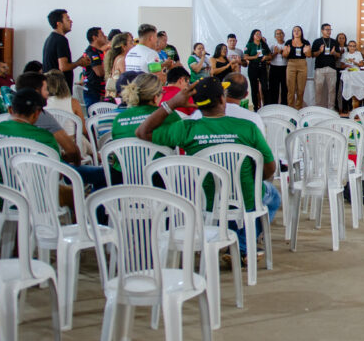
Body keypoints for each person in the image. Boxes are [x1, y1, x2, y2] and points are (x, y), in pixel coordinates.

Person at [136, 76, 280, 259]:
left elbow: (142, 132)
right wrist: (254, 179)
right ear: (222, 99)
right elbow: (270, 168)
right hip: (246, 199)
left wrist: (171, 103)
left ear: (195, 104)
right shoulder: (248, 127)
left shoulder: (186, 128)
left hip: (205, 200)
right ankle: (242, 245)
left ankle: (231, 240)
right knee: (272, 195)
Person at [0, 88, 63, 183]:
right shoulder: (46, 138)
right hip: (33, 196)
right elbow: (58, 175)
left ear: (10, 109)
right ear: (36, 113)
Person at [106, 72, 180, 184]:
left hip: (123, 181)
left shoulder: (119, 119)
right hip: (159, 181)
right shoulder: (168, 115)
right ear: (156, 97)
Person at [42, 9, 88, 89]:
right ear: (59, 24)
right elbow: (63, 67)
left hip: (52, 87)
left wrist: (79, 61)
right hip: (60, 89)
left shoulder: (50, 38)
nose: (71, 21)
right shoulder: (61, 40)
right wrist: (79, 63)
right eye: (67, 19)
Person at [311, 23, 340, 110]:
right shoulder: (317, 41)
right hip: (320, 68)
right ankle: (318, 108)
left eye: (330, 29)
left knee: (332, 89)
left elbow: (338, 55)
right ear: (322, 30)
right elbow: (312, 55)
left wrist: (334, 53)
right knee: (318, 89)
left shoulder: (334, 41)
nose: (329, 31)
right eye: (327, 29)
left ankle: (331, 108)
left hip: (331, 68)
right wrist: (320, 51)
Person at [80, 26, 108, 110]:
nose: (105, 36)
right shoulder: (92, 53)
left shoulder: (97, 51)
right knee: (95, 118)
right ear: (94, 37)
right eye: (102, 35)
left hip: (98, 91)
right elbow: (100, 72)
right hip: (93, 92)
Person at [283, 26, 311, 109]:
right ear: (292, 32)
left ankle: (298, 108)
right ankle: (290, 108)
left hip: (302, 63)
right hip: (291, 63)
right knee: (290, 89)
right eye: (294, 30)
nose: (296, 32)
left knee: (300, 89)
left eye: (298, 30)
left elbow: (309, 56)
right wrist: (286, 52)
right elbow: (284, 55)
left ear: (301, 32)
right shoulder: (288, 42)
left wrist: (307, 52)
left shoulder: (306, 42)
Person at [244, 29, 271, 109]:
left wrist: (266, 57)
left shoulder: (264, 44)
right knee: (254, 88)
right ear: (253, 36)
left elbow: (270, 56)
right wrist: (254, 57)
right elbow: (245, 57)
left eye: (260, 34)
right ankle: (256, 107)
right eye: (257, 34)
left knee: (265, 87)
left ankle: (266, 106)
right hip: (253, 67)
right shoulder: (250, 45)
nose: (259, 36)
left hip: (262, 66)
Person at [267, 30, 288, 105]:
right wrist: (275, 53)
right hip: (274, 68)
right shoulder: (272, 45)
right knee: (273, 89)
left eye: (281, 33)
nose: (279, 35)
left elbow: (290, 56)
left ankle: (284, 105)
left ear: (284, 34)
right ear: (275, 36)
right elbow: (269, 58)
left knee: (285, 89)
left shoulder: (287, 44)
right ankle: (273, 106)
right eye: (277, 34)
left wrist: (282, 52)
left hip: (285, 68)